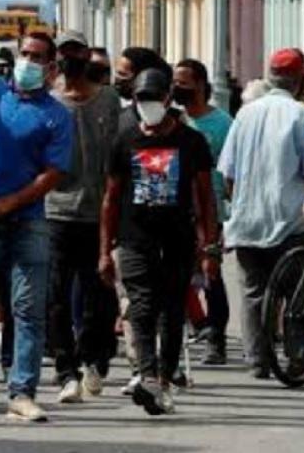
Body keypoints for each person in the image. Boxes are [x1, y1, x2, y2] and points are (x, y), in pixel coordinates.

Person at [0, 33, 72, 422]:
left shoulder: (56, 115)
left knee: (27, 310)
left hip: (27, 223)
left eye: (37, 57)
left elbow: (53, 173)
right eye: (24, 53)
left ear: (51, 67)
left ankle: (21, 391)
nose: (28, 61)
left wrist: (9, 202)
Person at [99, 69, 219, 416]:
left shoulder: (190, 142)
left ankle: (165, 378)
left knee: (171, 311)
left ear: (168, 99)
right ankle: (148, 375)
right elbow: (110, 198)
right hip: (135, 239)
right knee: (141, 306)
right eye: (141, 99)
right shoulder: (124, 141)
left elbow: (205, 197)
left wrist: (209, 246)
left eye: (154, 98)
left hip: (178, 239)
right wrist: (104, 251)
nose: (148, 105)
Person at [218, 48, 304, 379]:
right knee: (298, 293)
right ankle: (299, 355)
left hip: (248, 220)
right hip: (289, 220)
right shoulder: (300, 113)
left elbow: (228, 173)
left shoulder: (245, 113)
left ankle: (257, 360)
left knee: (253, 292)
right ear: (300, 80)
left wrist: (238, 205)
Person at [46, 31, 120, 404]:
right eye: (63, 52)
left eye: (76, 51)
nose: (69, 58)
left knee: (98, 296)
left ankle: (95, 357)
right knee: (57, 295)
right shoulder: (50, 102)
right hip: (56, 212)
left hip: (100, 213)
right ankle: (65, 369)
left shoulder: (109, 100)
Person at [174, 58, 234, 366]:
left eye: (183, 82)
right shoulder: (176, 122)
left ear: (199, 84)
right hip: (180, 208)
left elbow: (233, 170)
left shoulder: (222, 123)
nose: (177, 88)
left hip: (212, 209)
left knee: (211, 273)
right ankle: (192, 325)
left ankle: (216, 338)